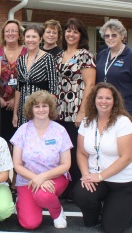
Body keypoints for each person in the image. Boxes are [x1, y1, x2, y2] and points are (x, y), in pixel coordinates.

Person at [73, 83, 132, 233]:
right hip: (96, 177)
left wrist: (100, 176)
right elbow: (81, 152)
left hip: (122, 182)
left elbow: (126, 157)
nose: (103, 101)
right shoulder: (87, 121)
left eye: (108, 98)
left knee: (112, 228)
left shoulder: (123, 122)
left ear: (114, 101)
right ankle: (97, 215)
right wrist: (86, 175)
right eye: (100, 97)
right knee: (81, 194)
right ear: (94, 100)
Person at [11, 90, 72, 230]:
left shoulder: (60, 130)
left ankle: (57, 213)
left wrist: (43, 177)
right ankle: (22, 202)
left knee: (43, 195)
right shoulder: (23, 130)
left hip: (55, 178)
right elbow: (17, 165)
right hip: (27, 180)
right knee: (30, 224)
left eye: (44, 106)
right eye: (37, 106)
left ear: (50, 108)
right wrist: (37, 178)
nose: (41, 109)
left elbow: (66, 164)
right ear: (31, 109)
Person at [56, 18, 96, 201]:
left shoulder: (85, 55)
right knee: (62, 150)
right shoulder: (59, 55)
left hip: (76, 110)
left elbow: (90, 84)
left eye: (75, 31)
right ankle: (64, 186)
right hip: (59, 111)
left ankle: (76, 190)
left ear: (81, 35)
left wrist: (82, 112)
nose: (71, 34)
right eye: (68, 30)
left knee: (74, 150)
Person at [0, 19, 27, 192]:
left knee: (17, 142)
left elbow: (25, 79)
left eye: (14, 31)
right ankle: (3, 176)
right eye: (7, 31)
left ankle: (17, 176)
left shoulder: (25, 52)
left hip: (19, 103)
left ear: (19, 33)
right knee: (2, 141)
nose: (10, 34)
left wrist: (15, 100)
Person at [13, 24, 56, 128]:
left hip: (41, 109)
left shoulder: (48, 58)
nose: (30, 40)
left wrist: (49, 113)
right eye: (28, 37)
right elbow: (18, 88)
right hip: (23, 109)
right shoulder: (21, 60)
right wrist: (15, 113)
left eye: (34, 37)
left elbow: (53, 89)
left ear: (40, 39)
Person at [96, 19, 132, 115]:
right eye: (107, 36)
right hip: (103, 108)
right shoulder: (102, 54)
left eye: (114, 35)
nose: (110, 38)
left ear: (122, 36)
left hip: (124, 110)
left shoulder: (130, 56)